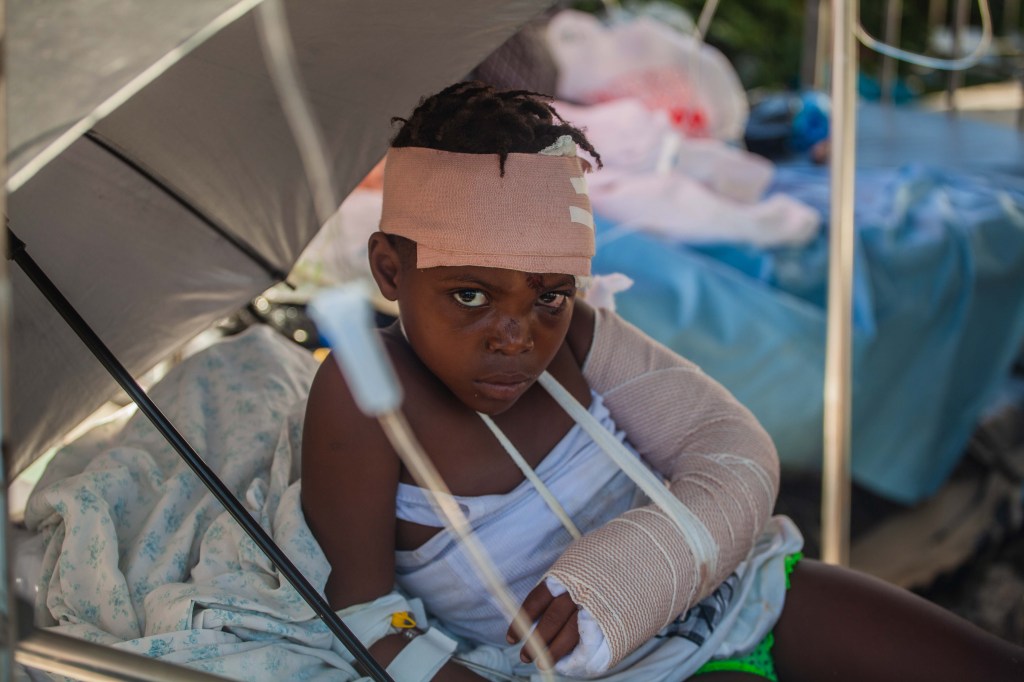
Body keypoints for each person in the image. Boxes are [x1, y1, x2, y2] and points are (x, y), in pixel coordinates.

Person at [301, 82, 1023, 681]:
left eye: (546, 295)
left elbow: (732, 450)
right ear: (391, 271)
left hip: (740, 599)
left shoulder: (580, 335)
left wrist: (637, 572)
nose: (516, 336)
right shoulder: (367, 394)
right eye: (470, 296)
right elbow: (366, 612)